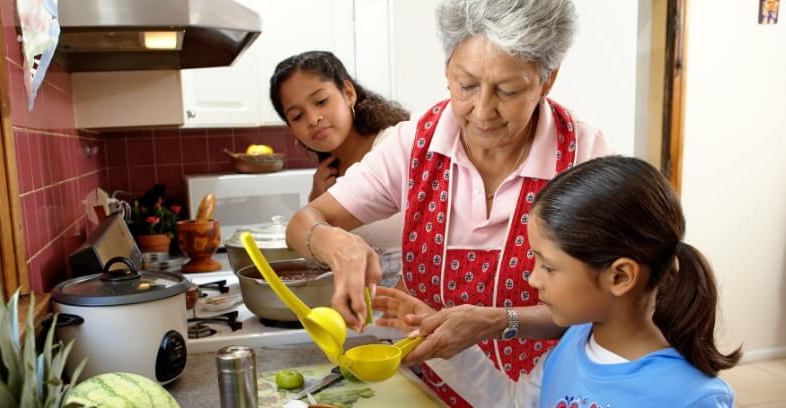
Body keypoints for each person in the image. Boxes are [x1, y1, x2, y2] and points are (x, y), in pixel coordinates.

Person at [286, 0, 611, 404]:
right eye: (467, 85)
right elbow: (303, 222)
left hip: (547, 394)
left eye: (508, 91)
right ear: (447, 68)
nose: (483, 112)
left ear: (548, 80)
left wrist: (501, 321)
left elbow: (604, 302)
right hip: (431, 391)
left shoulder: (581, 152)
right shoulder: (415, 144)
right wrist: (336, 243)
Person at [384, 156, 741, 406]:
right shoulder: (573, 343)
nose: (532, 278)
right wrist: (442, 344)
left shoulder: (691, 398)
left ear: (620, 276)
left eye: (549, 267)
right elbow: (512, 404)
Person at [270, 51, 410, 285]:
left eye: (321, 101)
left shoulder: (395, 146)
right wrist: (316, 201)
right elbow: (304, 239)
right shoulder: (326, 176)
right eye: (297, 116)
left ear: (348, 93)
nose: (313, 119)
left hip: (415, 299)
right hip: (364, 303)